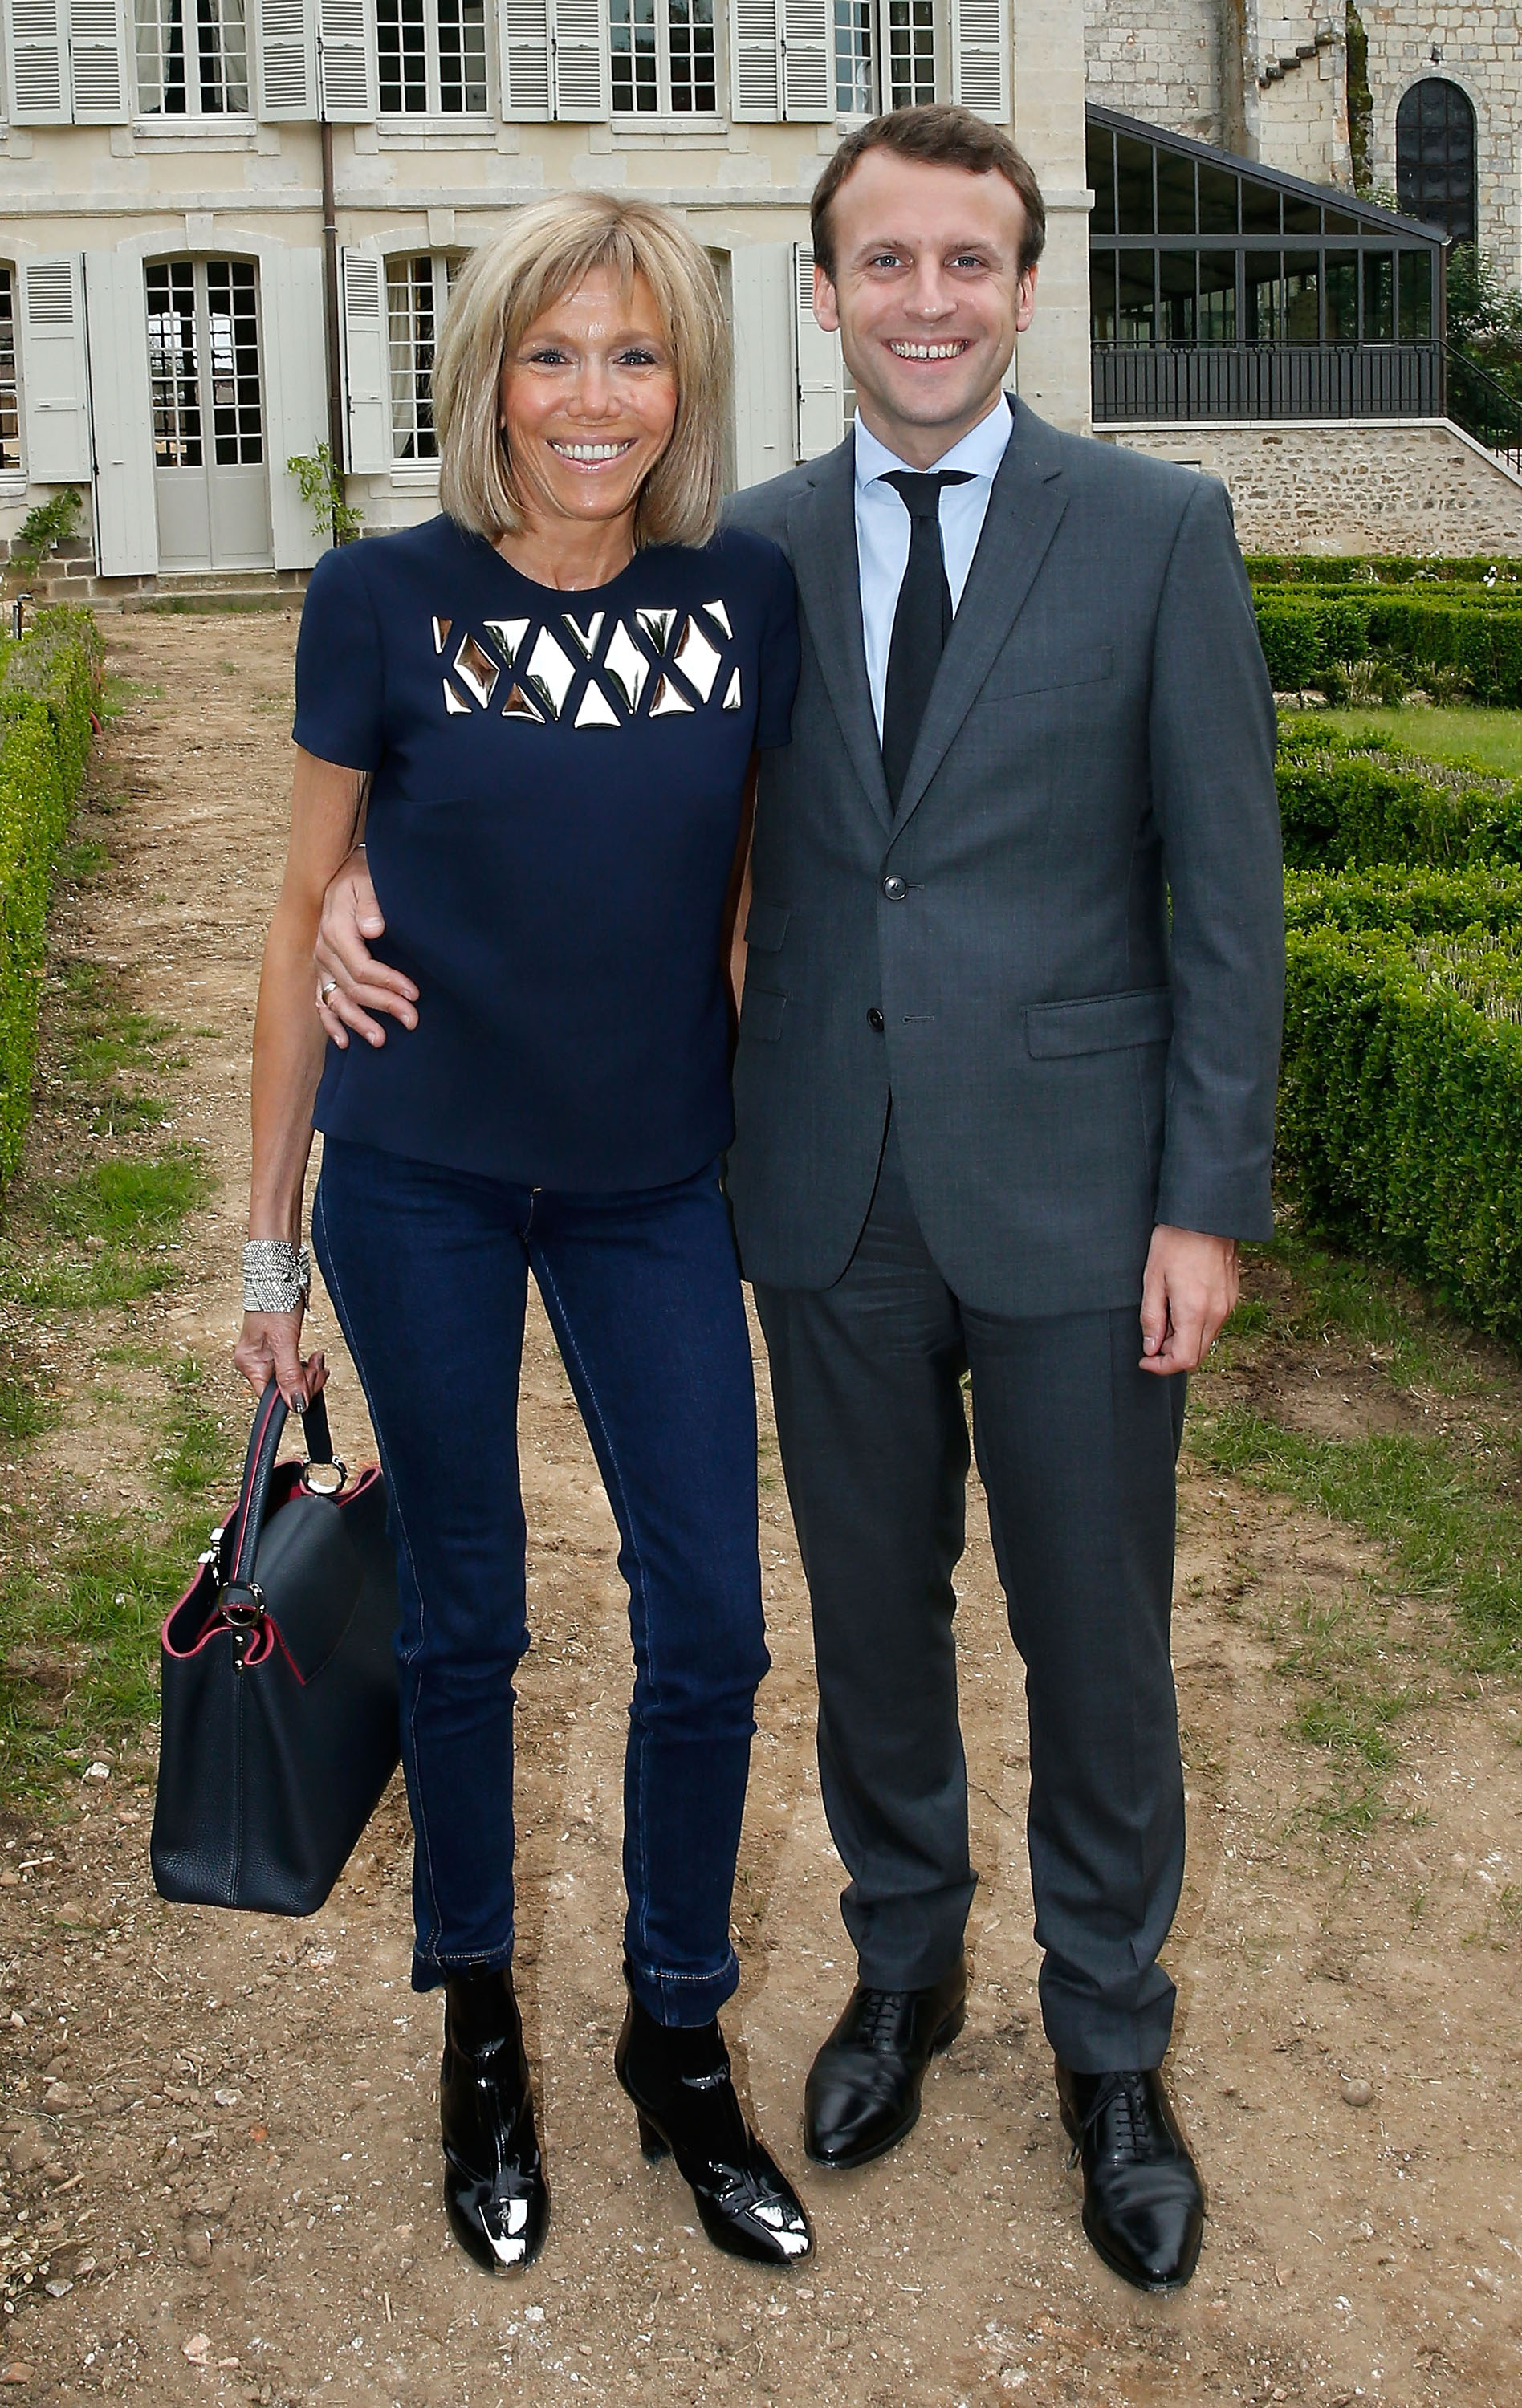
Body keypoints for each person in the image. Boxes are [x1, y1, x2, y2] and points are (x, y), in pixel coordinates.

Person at [314, 108, 1284, 2298]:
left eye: (970, 260)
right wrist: (365, 880)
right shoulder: (732, 555)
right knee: (867, 1628)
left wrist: (1203, 1200)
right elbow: (578, 795)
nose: (927, 299)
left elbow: (1230, 902)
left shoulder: (1154, 531)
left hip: (1079, 1196)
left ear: (1026, 288)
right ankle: (906, 1974)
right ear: (822, 295)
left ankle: (1113, 2052)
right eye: (885, 262)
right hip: (814, 1192)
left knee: (1099, 1643)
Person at [234, 191, 812, 2280]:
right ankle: (480, 2024)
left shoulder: (745, 593)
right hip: (426, 1185)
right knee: (469, 1620)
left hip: (657, 1183)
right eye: (553, 354)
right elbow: (303, 918)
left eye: (635, 356)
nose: (593, 398)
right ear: (487, 376)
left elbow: (752, 901)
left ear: (685, 385)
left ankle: (676, 2037)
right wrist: (266, 1252)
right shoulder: (379, 598)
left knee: (716, 1627)